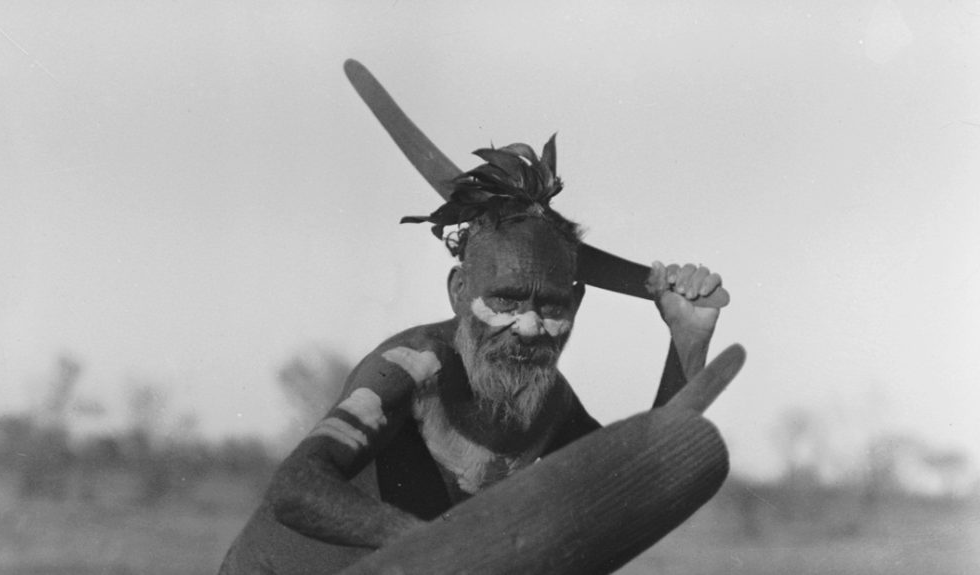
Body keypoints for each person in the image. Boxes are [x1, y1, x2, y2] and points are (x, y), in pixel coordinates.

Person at [218, 136, 724, 574]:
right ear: (459, 291)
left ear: (577, 303)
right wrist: (431, 544)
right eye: (505, 299)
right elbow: (296, 485)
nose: (528, 327)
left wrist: (687, 339)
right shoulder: (411, 368)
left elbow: (638, 484)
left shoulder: (552, 408)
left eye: (550, 306)